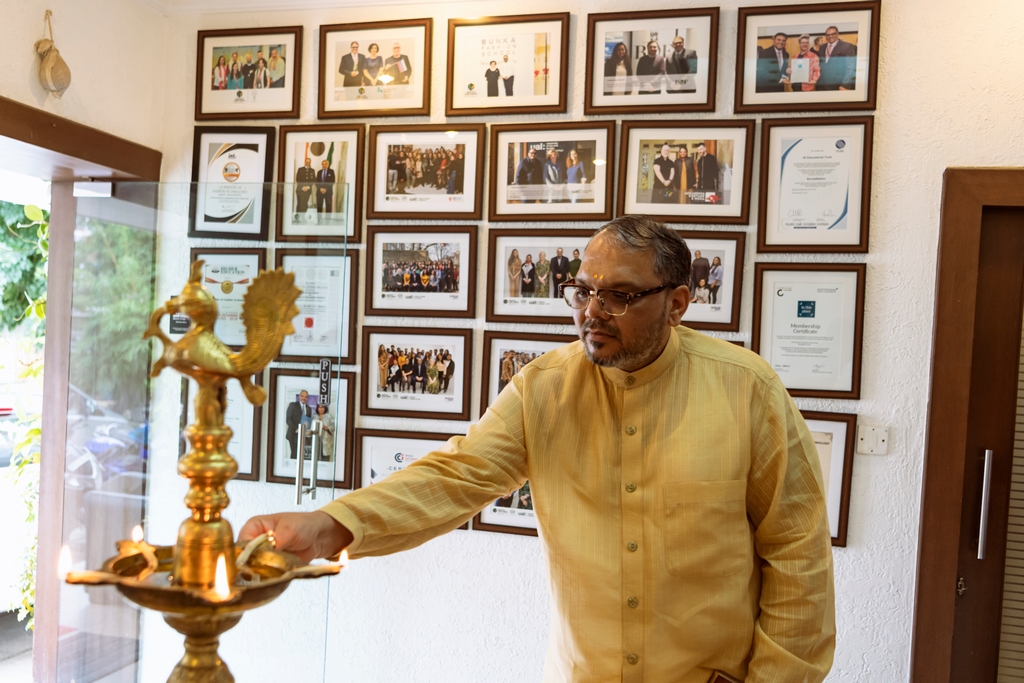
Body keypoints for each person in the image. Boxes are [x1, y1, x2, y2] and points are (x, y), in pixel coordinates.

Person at [240, 215, 835, 683]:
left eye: (620, 296)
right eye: (583, 291)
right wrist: (330, 525)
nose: (593, 312)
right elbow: (455, 477)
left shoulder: (746, 388)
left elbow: (797, 554)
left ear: (678, 303)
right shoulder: (543, 388)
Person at [816, 25, 857, 91]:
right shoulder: (822, 47)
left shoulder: (847, 47)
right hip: (822, 85)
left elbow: (851, 67)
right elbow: (821, 65)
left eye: (833, 34)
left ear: (837, 34)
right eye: (828, 35)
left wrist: (845, 85)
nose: (830, 36)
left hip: (838, 86)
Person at [284, 390, 312, 461]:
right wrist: (296, 429)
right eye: (302, 396)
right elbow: (288, 419)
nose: (304, 398)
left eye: (306, 397)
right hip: (293, 433)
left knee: (302, 453)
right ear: (299, 397)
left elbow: (308, 421)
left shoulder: (309, 408)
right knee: (294, 453)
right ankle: (292, 470)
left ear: (307, 398)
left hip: (303, 434)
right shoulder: (292, 405)